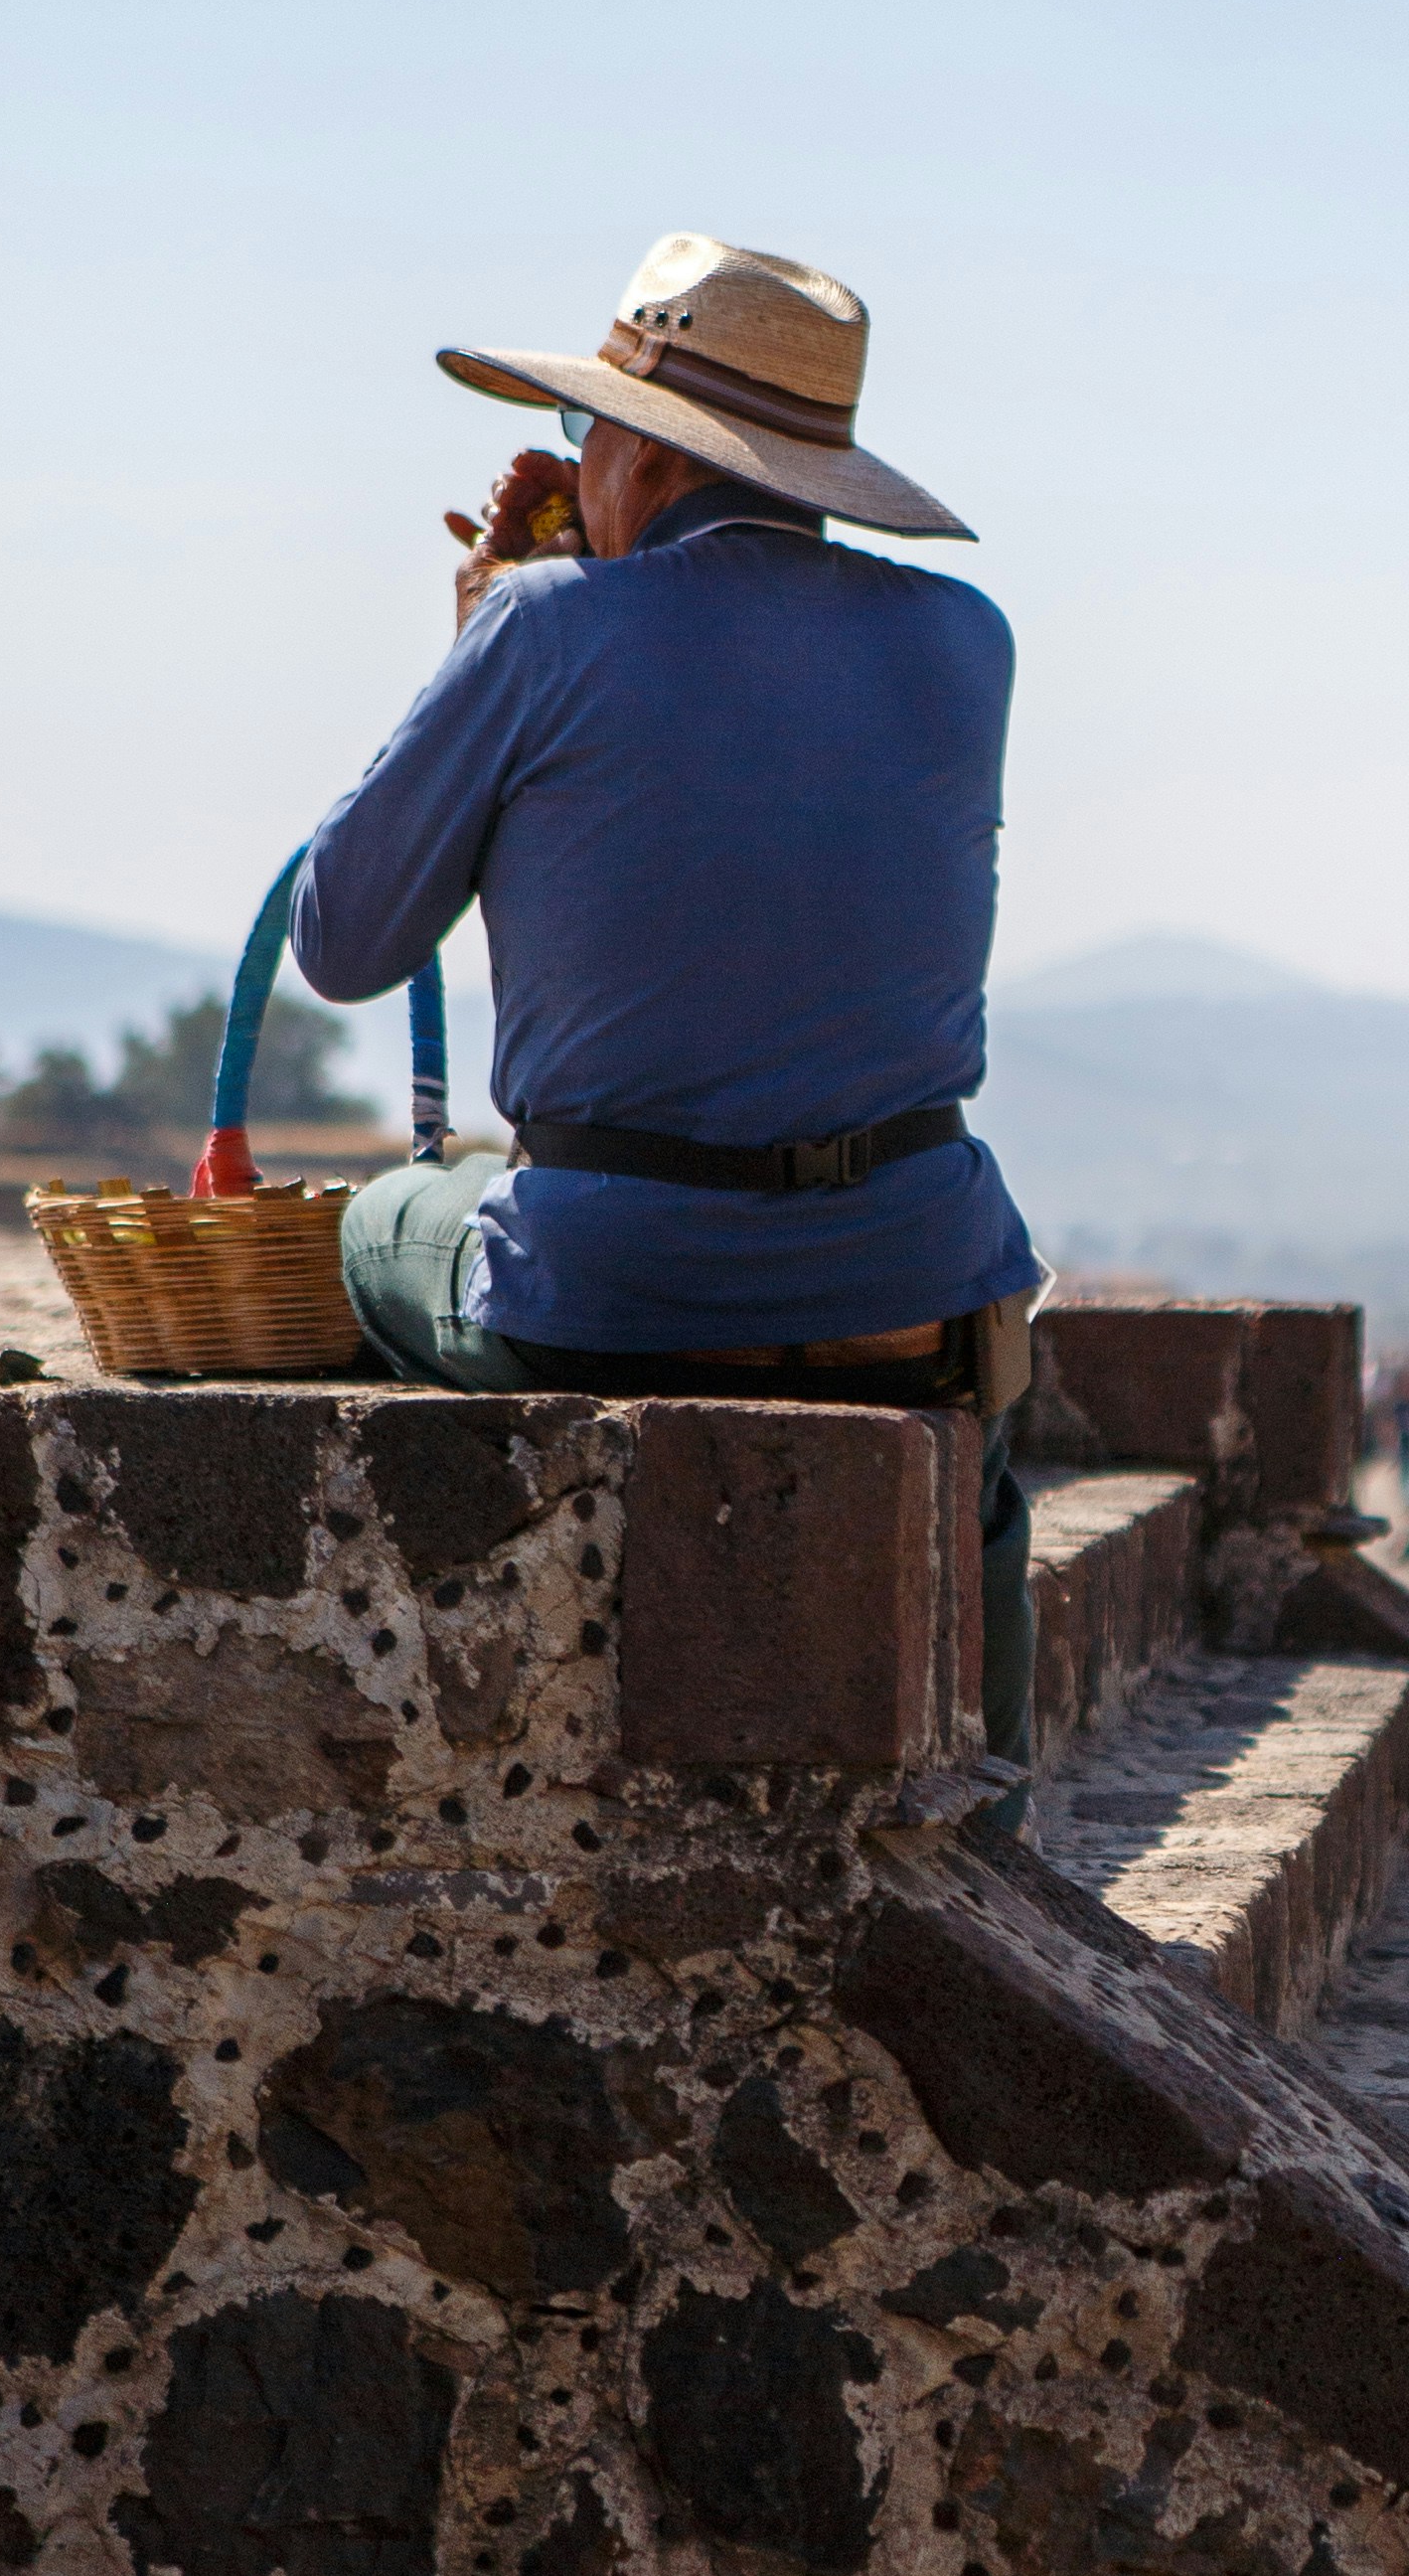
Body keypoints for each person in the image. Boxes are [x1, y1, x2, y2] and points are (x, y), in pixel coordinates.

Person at [295, 233, 1044, 1759]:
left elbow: (344, 939)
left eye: (587, 433)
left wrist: (488, 638)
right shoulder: (969, 641)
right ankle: (1001, 1800)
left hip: (616, 1293)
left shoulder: (543, 626)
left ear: (637, 446)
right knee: (992, 1473)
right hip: (908, 1282)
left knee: (378, 1227)